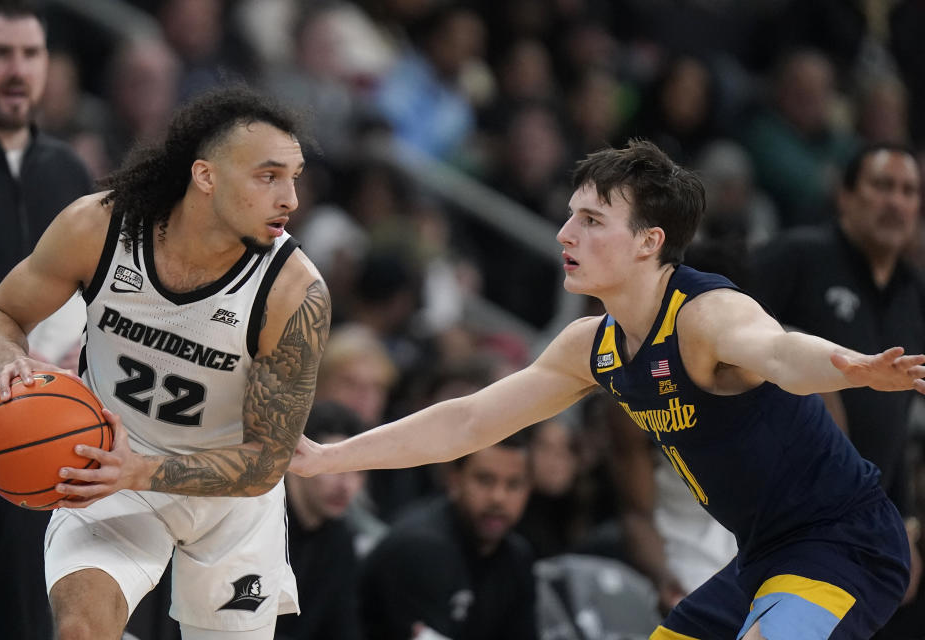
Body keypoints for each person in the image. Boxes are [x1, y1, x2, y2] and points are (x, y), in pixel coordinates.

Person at [292, 139, 925, 640]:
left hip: (848, 541)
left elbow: (781, 353)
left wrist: (851, 364)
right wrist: (330, 457)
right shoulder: (590, 346)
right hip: (764, 554)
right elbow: (469, 423)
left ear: (650, 242)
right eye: (571, 215)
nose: (566, 234)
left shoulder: (707, 316)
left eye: (592, 220)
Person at [0, 85, 330, 639]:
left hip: (229, 500)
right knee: (80, 633)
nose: (290, 199)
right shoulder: (99, 227)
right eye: (268, 176)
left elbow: (265, 463)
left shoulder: (293, 291)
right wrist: (11, 359)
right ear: (206, 176)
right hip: (109, 466)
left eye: (294, 177)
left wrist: (143, 470)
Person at [749, 142, 925, 632]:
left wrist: (905, 525)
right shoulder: (797, 256)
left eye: (909, 191)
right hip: (782, 500)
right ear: (846, 196)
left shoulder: (916, 293)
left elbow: (897, 427)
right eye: (882, 185)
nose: (896, 201)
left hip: (861, 509)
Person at [0, 1, 92, 638]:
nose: (16, 70)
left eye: (30, 55)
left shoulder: (69, 173)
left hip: (34, 438)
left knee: (16, 623)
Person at [358, 433, 536, 640]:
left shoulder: (517, 557)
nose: (498, 498)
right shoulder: (420, 547)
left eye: (513, 485)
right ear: (455, 480)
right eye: (485, 480)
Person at [275, 402, 366, 640]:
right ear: (298, 456)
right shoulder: (257, 522)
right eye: (335, 467)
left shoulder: (340, 538)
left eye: (359, 471)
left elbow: (343, 628)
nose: (346, 485)